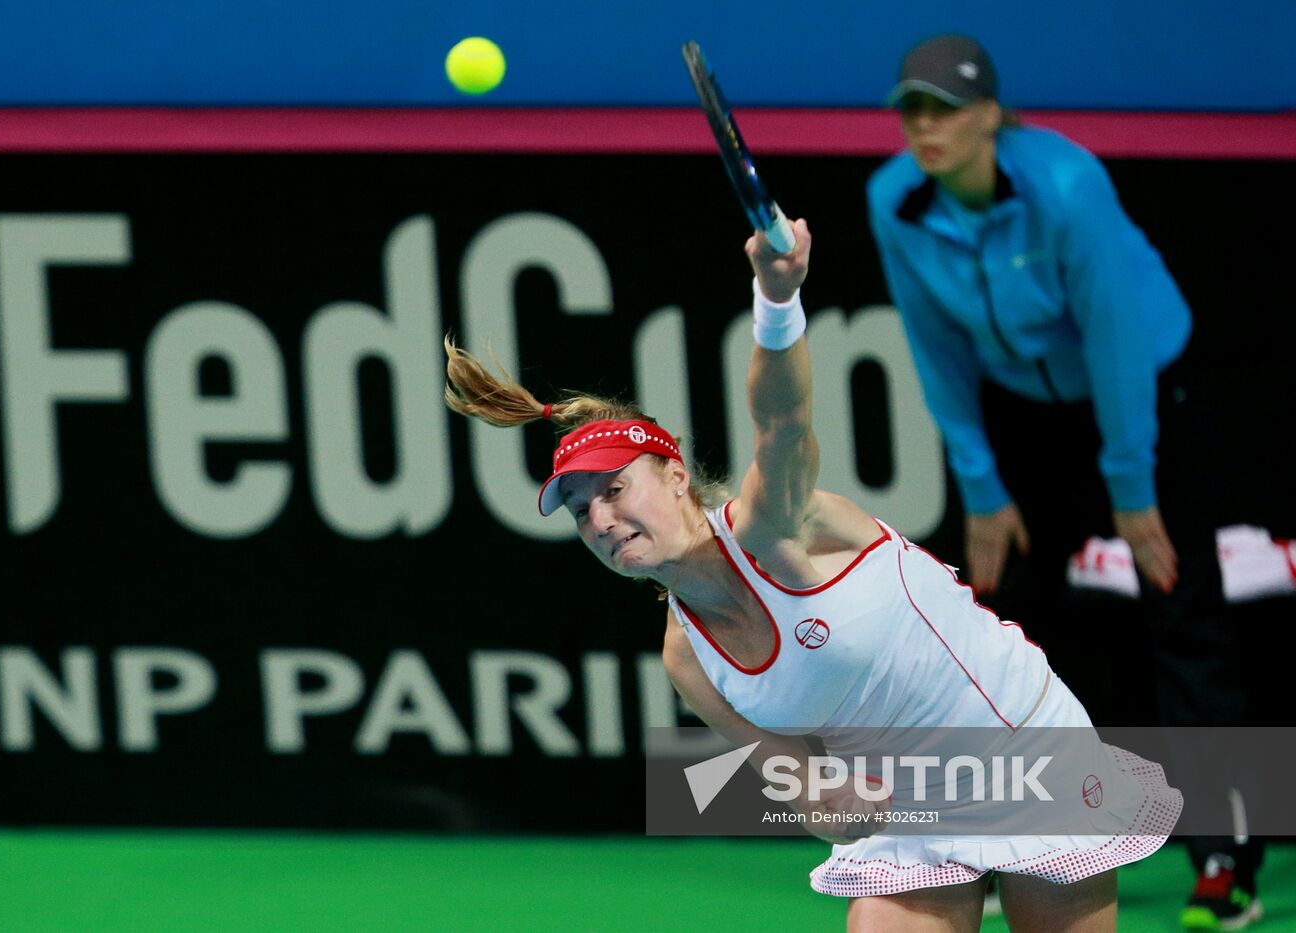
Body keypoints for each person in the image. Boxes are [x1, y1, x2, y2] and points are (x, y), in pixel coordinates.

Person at [443, 218, 1180, 932]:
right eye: (579, 510)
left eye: (614, 490)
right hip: (909, 808)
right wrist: (823, 794)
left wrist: (777, 297)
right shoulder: (687, 655)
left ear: (674, 476)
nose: (599, 520)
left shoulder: (776, 525)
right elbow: (798, 781)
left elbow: (782, 419)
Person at [864, 33, 1265, 930]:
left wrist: (1131, 487)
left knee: (1180, 611)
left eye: (945, 109)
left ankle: (1225, 860)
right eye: (911, 111)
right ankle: (1032, 843)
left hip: (1146, 400)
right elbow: (936, 348)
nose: (925, 128)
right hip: (1022, 416)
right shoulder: (895, 202)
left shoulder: (1068, 187)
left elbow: (1116, 339)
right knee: (1014, 625)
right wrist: (981, 486)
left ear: (990, 115)